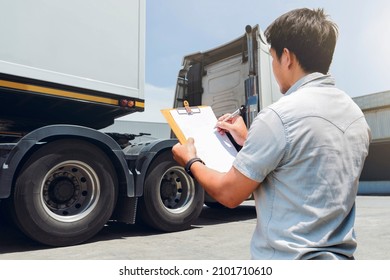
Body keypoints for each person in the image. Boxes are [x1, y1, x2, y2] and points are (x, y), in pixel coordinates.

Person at [172, 8, 371, 260]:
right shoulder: (356, 117)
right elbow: (305, 162)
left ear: (287, 57)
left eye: (274, 59)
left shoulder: (279, 116)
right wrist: (248, 139)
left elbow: (229, 193)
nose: (275, 66)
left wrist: (191, 160)